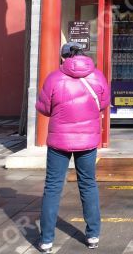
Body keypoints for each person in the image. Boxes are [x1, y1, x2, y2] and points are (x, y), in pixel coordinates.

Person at [35, 42, 110, 253]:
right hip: (87, 141)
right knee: (88, 184)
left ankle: (47, 240)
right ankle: (93, 235)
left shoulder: (54, 78)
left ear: (63, 57)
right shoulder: (97, 76)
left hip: (59, 141)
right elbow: (103, 104)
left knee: (52, 187)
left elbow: (43, 107)